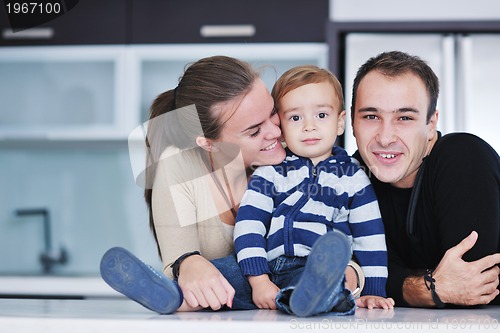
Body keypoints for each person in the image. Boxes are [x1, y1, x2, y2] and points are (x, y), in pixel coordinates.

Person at [100, 55, 287, 314]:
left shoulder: (298, 150)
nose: (276, 132)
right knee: (227, 272)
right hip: (230, 310)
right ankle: (175, 297)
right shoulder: (178, 165)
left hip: (286, 293)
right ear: (208, 143)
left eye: (273, 113)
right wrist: (189, 262)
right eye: (254, 131)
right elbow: (178, 255)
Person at [233, 65, 394, 317]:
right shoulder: (270, 172)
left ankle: (312, 296)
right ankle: (175, 295)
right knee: (219, 276)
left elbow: (370, 235)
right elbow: (249, 224)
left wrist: (375, 290)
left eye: (321, 115)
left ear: (340, 123)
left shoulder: (353, 177)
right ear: (281, 127)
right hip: (263, 267)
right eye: (295, 118)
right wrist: (259, 280)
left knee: (317, 281)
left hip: (313, 267)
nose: (309, 126)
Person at [350, 50, 500, 308]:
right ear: (351, 120)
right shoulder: (350, 175)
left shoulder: (462, 155)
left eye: (405, 118)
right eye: (371, 116)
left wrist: (399, 283)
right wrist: (425, 288)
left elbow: (471, 285)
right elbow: (350, 274)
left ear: (431, 124)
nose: (385, 137)